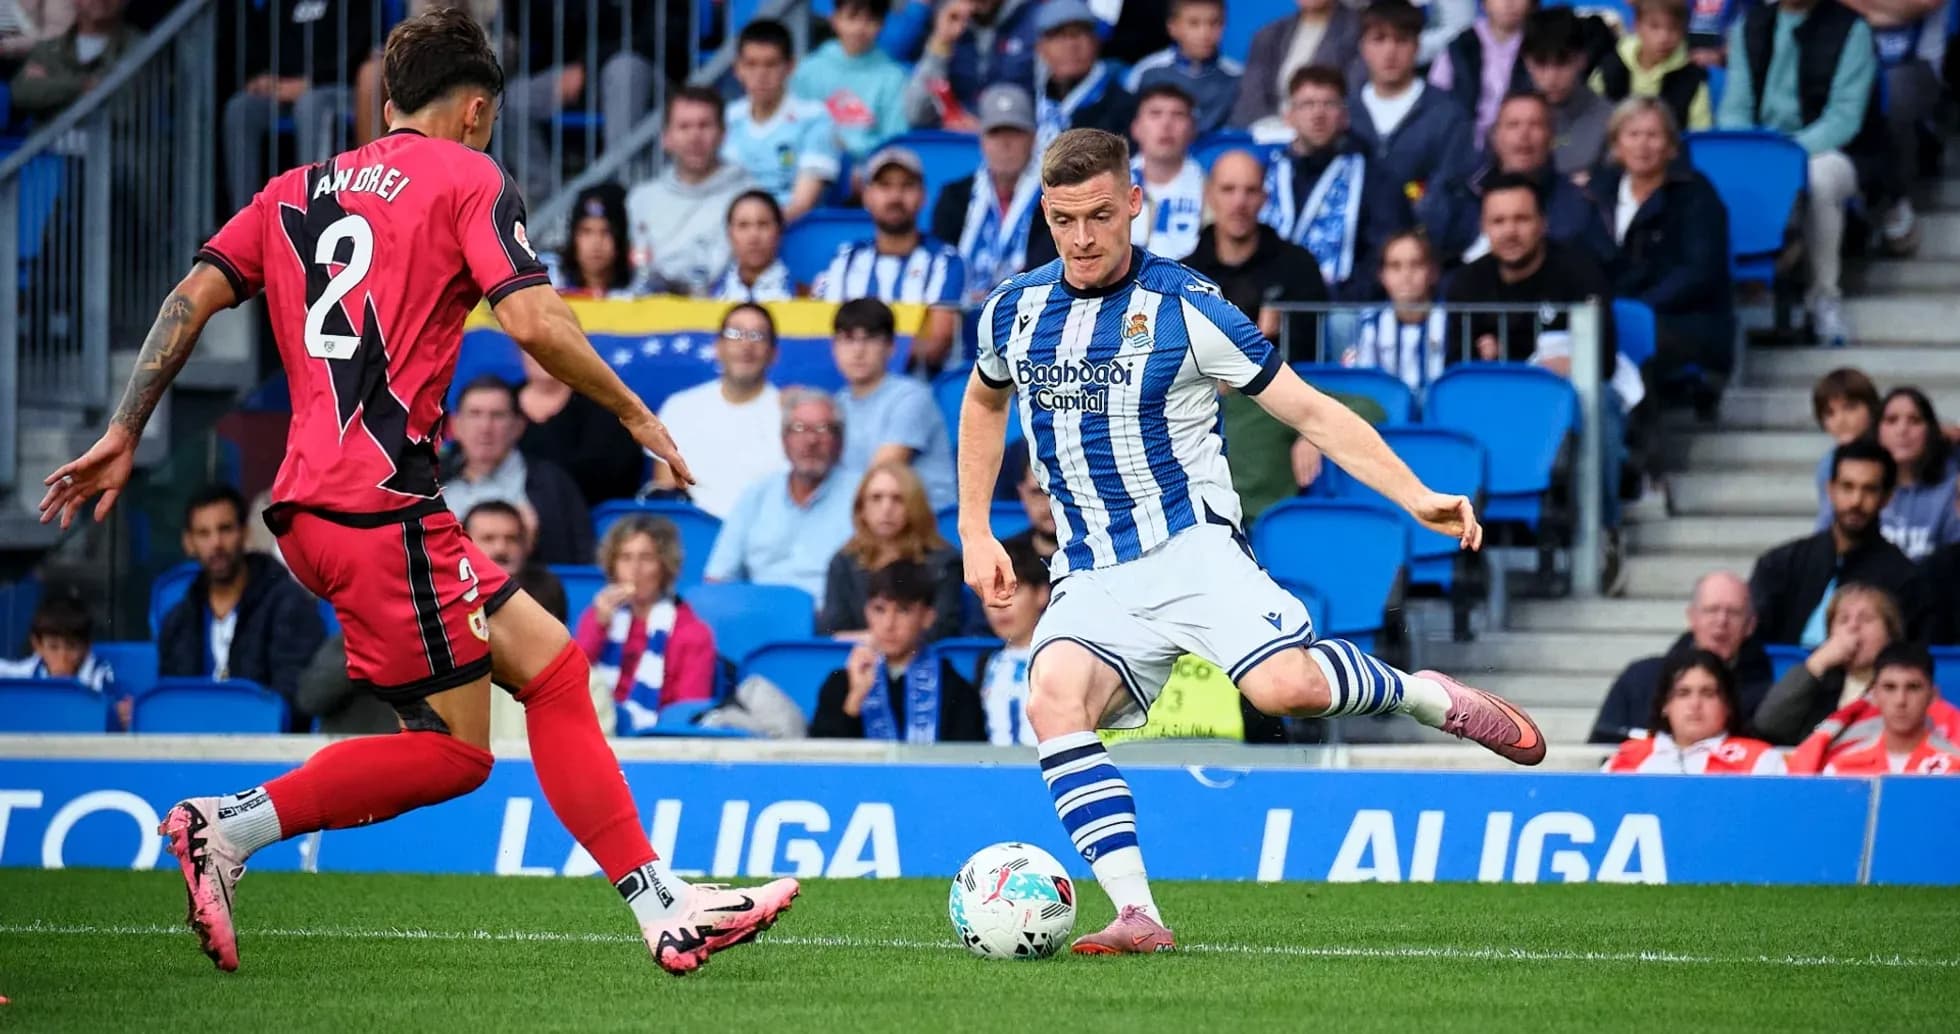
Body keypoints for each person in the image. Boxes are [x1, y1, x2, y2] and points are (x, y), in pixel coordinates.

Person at [38, 10, 795, 976]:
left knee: (555, 671)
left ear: (387, 104)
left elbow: (190, 296)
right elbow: (532, 317)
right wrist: (632, 411)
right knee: (455, 756)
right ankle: (226, 828)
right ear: (478, 111)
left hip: (316, 512)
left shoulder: (293, 188)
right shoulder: (469, 176)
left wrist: (124, 427)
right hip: (380, 509)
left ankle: (661, 906)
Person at [958, 128, 1547, 955]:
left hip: (1192, 550)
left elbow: (1308, 409)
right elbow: (985, 402)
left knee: (1286, 691)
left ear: (1135, 203)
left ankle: (1428, 698)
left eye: (1099, 215)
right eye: (1063, 221)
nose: (1082, 239)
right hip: (1090, 568)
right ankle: (1137, 913)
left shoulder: (1188, 308)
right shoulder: (1014, 310)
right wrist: (975, 524)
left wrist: (1415, 494)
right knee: (1051, 694)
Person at [1715, 0, 1898, 347]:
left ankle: (1824, 298)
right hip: (1764, 149)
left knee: (1819, 178)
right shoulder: (1748, 27)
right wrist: (1754, 151)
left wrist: (1785, 157)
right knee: (1721, 167)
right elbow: (1734, 108)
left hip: (1837, 150)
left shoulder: (1852, 29)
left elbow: (1844, 118)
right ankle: (1746, 288)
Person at [1590, 97, 1734, 405]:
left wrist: (1634, 309)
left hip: (1684, 320)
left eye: (1653, 135)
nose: (1643, 145)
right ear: (1616, 144)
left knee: (1628, 337)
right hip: (1613, 316)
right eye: (1632, 135)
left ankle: (1639, 442)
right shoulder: (1598, 192)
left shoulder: (1696, 194)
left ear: (1671, 146)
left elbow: (1699, 272)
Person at [157, 485, 328, 729]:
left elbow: (294, 701)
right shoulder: (178, 620)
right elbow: (172, 704)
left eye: (225, 529)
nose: (216, 543)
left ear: (245, 533)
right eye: (203, 534)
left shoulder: (289, 604)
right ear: (189, 543)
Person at [1750, 440, 1932, 646]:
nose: (1856, 501)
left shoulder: (1906, 580)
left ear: (1887, 497)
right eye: (1847, 487)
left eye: (1869, 490)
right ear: (1831, 490)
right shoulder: (1780, 564)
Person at [1259, 65, 1411, 301]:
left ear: (1344, 116)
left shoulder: (1374, 179)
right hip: (1268, 305)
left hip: (1340, 307)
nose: (1318, 114)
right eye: (1307, 104)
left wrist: (1344, 297)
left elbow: (1383, 253)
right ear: (1289, 116)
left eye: (1329, 104)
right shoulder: (1262, 172)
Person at [812, 147, 966, 373]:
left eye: (906, 186)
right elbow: (823, 334)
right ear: (867, 195)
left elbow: (936, 345)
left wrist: (864, 356)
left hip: (917, 390)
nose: (895, 197)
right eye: (885, 186)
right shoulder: (844, 259)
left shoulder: (945, 262)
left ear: (922, 196)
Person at [705, 389, 862, 600]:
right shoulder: (757, 494)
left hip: (831, 621)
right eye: (798, 429)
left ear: (841, 442)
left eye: (823, 429)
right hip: (760, 618)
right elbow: (718, 578)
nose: (811, 440)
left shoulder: (864, 494)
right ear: (784, 440)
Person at [1347, 0, 1475, 250]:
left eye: (1401, 40)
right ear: (1363, 47)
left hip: (1424, 255)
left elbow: (1452, 193)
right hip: (1355, 256)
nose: (1390, 51)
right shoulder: (1344, 114)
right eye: (1379, 39)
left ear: (1417, 46)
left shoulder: (1448, 115)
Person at [810, 560, 986, 741]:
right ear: (866, 612)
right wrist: (854, 699)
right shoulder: (841, 684)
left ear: (928, 617)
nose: (889, 624)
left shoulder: (954, 689)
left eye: (903, 611)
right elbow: (820, 761)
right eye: (879, 610)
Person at [1436, 91, 1616, 268]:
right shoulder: (1459, 196)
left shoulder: (1580, 205)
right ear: (1495, 136)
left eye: (1535, 125)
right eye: (1513, 125)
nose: (1524, 135)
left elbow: (1601, 275)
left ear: (1551, 136)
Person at [1589, 570, 1772, 743]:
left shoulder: (1767, 696)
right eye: (1711, 610)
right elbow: (1601, 749)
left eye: (1733, 612)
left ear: (1750, 625)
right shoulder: (1639, 678)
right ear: (1692, 617)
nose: (1721, 621)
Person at [574, 516, 717, 736]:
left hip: (657, 742)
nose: (635, 569)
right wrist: (598, 626)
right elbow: (570, 679)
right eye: (625, 558)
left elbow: (687, 713)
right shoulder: (596, 617)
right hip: (594, 733)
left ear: (664, 566)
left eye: (646, 558)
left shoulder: (693, 633)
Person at [222, 0, 371, 210]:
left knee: (310, 104)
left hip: (338, 88)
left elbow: (359, 50)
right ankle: (244, 220)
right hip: (283, 88)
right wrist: (262, 76)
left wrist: (311, 82)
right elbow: (261, 42)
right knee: (240, 109)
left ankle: (313, 216)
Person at [1186, 150, 1331, 360]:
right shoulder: (1184, 275)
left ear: (1264, 198)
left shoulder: (1300, 268)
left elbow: (1308, 354)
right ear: (1209, 195)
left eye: (1251, 191)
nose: (1239, 203)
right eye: (1228, 190)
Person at [652, 303, 788, 517]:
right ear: (718, 347)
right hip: (695, 534)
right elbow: (668, 495)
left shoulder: (789, 413)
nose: (745, 344)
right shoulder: (680, 408)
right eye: (735, 333)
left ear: (773, 353)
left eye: (757, 335)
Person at [441, 376, 593, 567]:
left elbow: (579, 563)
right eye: (475, 414)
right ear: (455, 425)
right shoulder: (428, 480)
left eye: (497, 415)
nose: (485, 427)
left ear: (518, 426)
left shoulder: (552, 484)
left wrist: (535, 543)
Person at [932, 84, 1056, 308]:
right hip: (962, 316)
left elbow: (1049, 268)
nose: (1005, 144)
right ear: (982, 140)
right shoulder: (955, 197)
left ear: (1034, 139)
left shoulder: (1054, 197)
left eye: (1015, 133)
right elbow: (940, 263)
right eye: (995, 133)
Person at [624, 85, 754, 297]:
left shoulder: (748, 196)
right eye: (684, 127)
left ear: (723, 134)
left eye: (704, 125)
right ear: (666, 138)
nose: (695, 136)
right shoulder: (641, 198)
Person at [830, 299, 958, 510]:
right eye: (848, 339)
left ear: (890, 347)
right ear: (834, 348)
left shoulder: (912, 397)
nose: (858, 351)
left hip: (925, 524)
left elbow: (880, 475)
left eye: (869, 339)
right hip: (867, 520)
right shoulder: (838, 403)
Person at [819, 463, 965, 641]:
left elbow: (941, 630)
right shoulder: (843, 561)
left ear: (915, 507)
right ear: (861, 509)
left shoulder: (945, 561)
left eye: (898, 499)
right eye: (876, 498)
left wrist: (877, 642)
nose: (886, 508)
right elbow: (831, 633)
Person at [1816, 388, 1960, 561]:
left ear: (1930, 430)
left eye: (1914, 420)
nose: (1902, 430)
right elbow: (1823, 551)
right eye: (1891, 420)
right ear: (1877, 430)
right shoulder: (1853, 486)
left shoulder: (1950, 491)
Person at [1755, 583, 1903, 746]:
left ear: (1890, 634)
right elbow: (1768, 725)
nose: (1853, 626)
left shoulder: (1903, 682)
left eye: (1866, 619)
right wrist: (1818, 662)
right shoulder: (1818, 680)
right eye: (1843, 620)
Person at [723, 19, 841, 224]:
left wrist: (753, 232)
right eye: (751, 64)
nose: (760, 75)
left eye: (771, 64)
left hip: (790, 233)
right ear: (737, 69)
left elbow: (802, 204)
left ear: (790, 66)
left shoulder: (815, 118)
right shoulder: (726, 118)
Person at [1602, 650, 1786, 773]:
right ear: (1665, 704)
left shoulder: (1762, 761)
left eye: (1708, 693)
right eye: (1683, 693)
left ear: (1727, 704)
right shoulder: (1625, 759)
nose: (1695, 704)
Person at [515, 351, 644, 511]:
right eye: (532, 344)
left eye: (551, 343)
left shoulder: (606, 407)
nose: (541, 351)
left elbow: (618, 477)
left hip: (588, 521)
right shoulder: (498, 404)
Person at [1803, 644, 1960, 774]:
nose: (1900, 700)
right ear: (1874, 695)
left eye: (1913, 687)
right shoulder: (1842, 768)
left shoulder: (1955, 767)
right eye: (1889, 687)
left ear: (1933, 695)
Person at [791, 0, 911, 161]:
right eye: (852, 17)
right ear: (834, 19)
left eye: (870, 20)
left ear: (882, 24)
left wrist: (849, 150)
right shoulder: (808, 70)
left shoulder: (894, 77)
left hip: (870, 172)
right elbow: (793, 127)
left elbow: (894, 139)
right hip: (812, 166)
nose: (860, 28)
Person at [902, 0, 1048, 129]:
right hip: (959, 145)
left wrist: (988, 129)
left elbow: (1051, 113)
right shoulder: (948, 19)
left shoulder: (1037, 20)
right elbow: (916, 114)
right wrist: (941, 41)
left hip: (1016, 142)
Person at [1231, 0, 1366, 128]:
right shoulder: (1269, 34)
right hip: (1272, 130)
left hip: (1327, 134)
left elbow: (1354, 95)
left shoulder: (1359, 31)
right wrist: (1272, 126)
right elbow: (1250, 97)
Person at [0, 593, 124, 730]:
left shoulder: (98, 674)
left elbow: (104, 710)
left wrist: (117, 714)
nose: (62, 657)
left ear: (87, 647)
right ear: (37, 646)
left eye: (72, 647)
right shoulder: (29, 670)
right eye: (53, 647)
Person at [1030, 0, 1138, 157]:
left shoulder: (1123, 106)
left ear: (1095, 42)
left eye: (1078, 34)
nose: (1071, 45)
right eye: (1059, 36)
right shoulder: (1031, 102)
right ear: (1041, 48)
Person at [1346, 229, 1448, 392]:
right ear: (1382, 275)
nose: (1406, 275)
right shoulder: (1370, 323)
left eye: (1416, 264)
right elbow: (1361, 381)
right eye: (1395, 266)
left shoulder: (1452, 320)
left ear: (1433, 272)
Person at [1590, 0, 1715, 132]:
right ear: (1637, 26)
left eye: (1673, 28)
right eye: (1654, 27)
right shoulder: (1609, 68)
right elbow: (1590, 124)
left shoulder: (1692, 78)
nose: (1664, 37)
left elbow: (1700, 133)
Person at [1123, 0, 1244, 135]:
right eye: (1194, 23)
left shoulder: (1238, 76)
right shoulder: (1147, 72)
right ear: (1172, 27)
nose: (1205, 33)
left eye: (1214, 23)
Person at [975, 537, 1052, 745]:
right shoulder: (987, 664)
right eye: (991, 593)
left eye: (1012, 591)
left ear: (1041, 594)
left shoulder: (1065, 658)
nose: (1001, 605)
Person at [1427, 0, 1533, 150]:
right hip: (1465, 149)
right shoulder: (1460, 46)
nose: (1509, 3)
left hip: (1526, 146)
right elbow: (1434, 103)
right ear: (1483, 3)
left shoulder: (1540, 45)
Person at [1520, 7, 1612, 179]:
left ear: (1582, 60)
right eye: (1541, 63)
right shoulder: (1509, 119)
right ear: (1527, 62)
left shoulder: (1611, 121)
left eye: (1562, 63)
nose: (1551, 77)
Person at [7, 0, 135, 118]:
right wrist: (82, 84)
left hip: (112, 140)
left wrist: (53, 82)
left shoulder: (141, 46)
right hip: (51, 141)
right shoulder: (49, 48)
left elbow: (120, 101)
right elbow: (21, 92)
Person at [1127, 84, 1206, 261]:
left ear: (1192, 130)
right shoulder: (1110, 184)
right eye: (1155, 114)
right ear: (1136, 128)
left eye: (1178, 115)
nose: (1166, 125)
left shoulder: (1211, 187)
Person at [463, 500, 567, 623]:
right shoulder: (448, 593)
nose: (501, 548)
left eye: (511, 539)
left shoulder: (547, 588)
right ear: (465, 545)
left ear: (525, 544)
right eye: (488, 539)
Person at [1809, 367, 1880, 514]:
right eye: (1830, 413)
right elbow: (1828, 519)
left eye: (1850, 408)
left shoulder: (1894, 452)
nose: (1840, 420)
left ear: (1872, 409)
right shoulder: (1828, 464)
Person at [709, 190, 795, 303]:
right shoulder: (708, 295)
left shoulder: (803, 294)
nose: (753, 237)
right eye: (743, 225)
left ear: (779, 231)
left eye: (763, 224)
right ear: (730, 234)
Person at [553, 185, 637, 299]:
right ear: (574, 237)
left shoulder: (638, 291)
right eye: (586, 232)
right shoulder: (551, 285)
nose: (596, 243)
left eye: (606, 232)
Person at [1000, 446, 1060, 562]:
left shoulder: (1102, 554)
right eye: (1038, 493)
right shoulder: (1004, 560)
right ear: (1022, 493)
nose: (1050, 504)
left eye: (1059, 491)